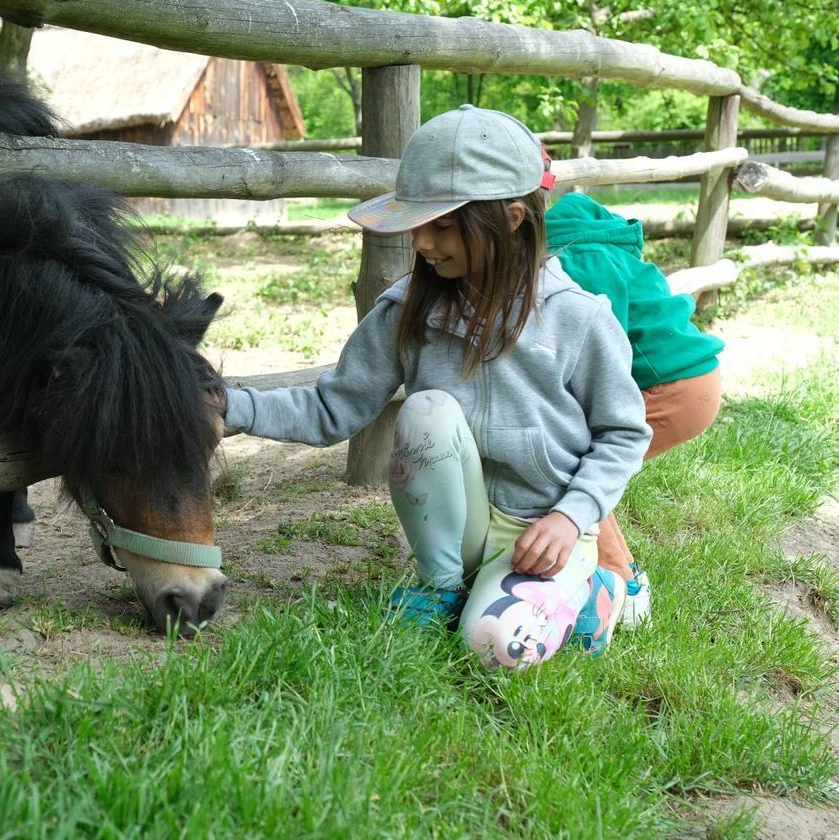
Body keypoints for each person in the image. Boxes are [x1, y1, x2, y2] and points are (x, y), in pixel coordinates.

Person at [224, 105, 652, 670]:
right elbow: (332, 406)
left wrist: (571, 517)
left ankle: (600, 594)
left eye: (443, 225)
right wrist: (229, 405)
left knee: (496, 647)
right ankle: (445, 585)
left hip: (544, 532)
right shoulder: (407, 309)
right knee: (425, 410)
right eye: (417, 222)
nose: (421, 241)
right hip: (461, 526)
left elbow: (623, 433)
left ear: (513, 218)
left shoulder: (577, 318)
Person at [545, 192, 724, 628]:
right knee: (586, 467)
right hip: (697, 381)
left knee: (569, 466)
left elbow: (601, 343)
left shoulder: (578, 258)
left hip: (670, 389)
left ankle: (615, 591)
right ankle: (625, 579)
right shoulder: (605, 247)